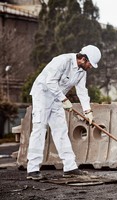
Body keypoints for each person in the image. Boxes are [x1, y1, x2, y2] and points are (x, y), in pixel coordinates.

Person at [26, 45, 101, 180]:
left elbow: (82, 91)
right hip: (42, 94)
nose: (90, 67)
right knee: (39, 128)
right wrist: (64, 99)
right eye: (90, 64)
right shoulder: (62, 61)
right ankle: (32, 169)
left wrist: (88, 111)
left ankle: (70, 167)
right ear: (83, 59)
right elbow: (50, 82)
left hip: (57, 99)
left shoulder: (82, 72)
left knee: (61, 130)